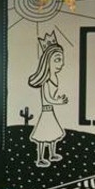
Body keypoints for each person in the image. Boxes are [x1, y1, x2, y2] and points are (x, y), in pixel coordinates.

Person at [28, 32, 67, 167]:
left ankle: (52, 154)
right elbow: (47, 98)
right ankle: (40, 158)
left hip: (51, 111)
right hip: (46, 112)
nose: (61, 63)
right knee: (42, 137)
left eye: (61, 59)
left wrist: (58, 99)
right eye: (57, 59)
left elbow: (52, 97)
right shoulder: (46, 80)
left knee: (53, 134)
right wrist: (58, 101)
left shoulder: (54, 78)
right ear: (47, 61)